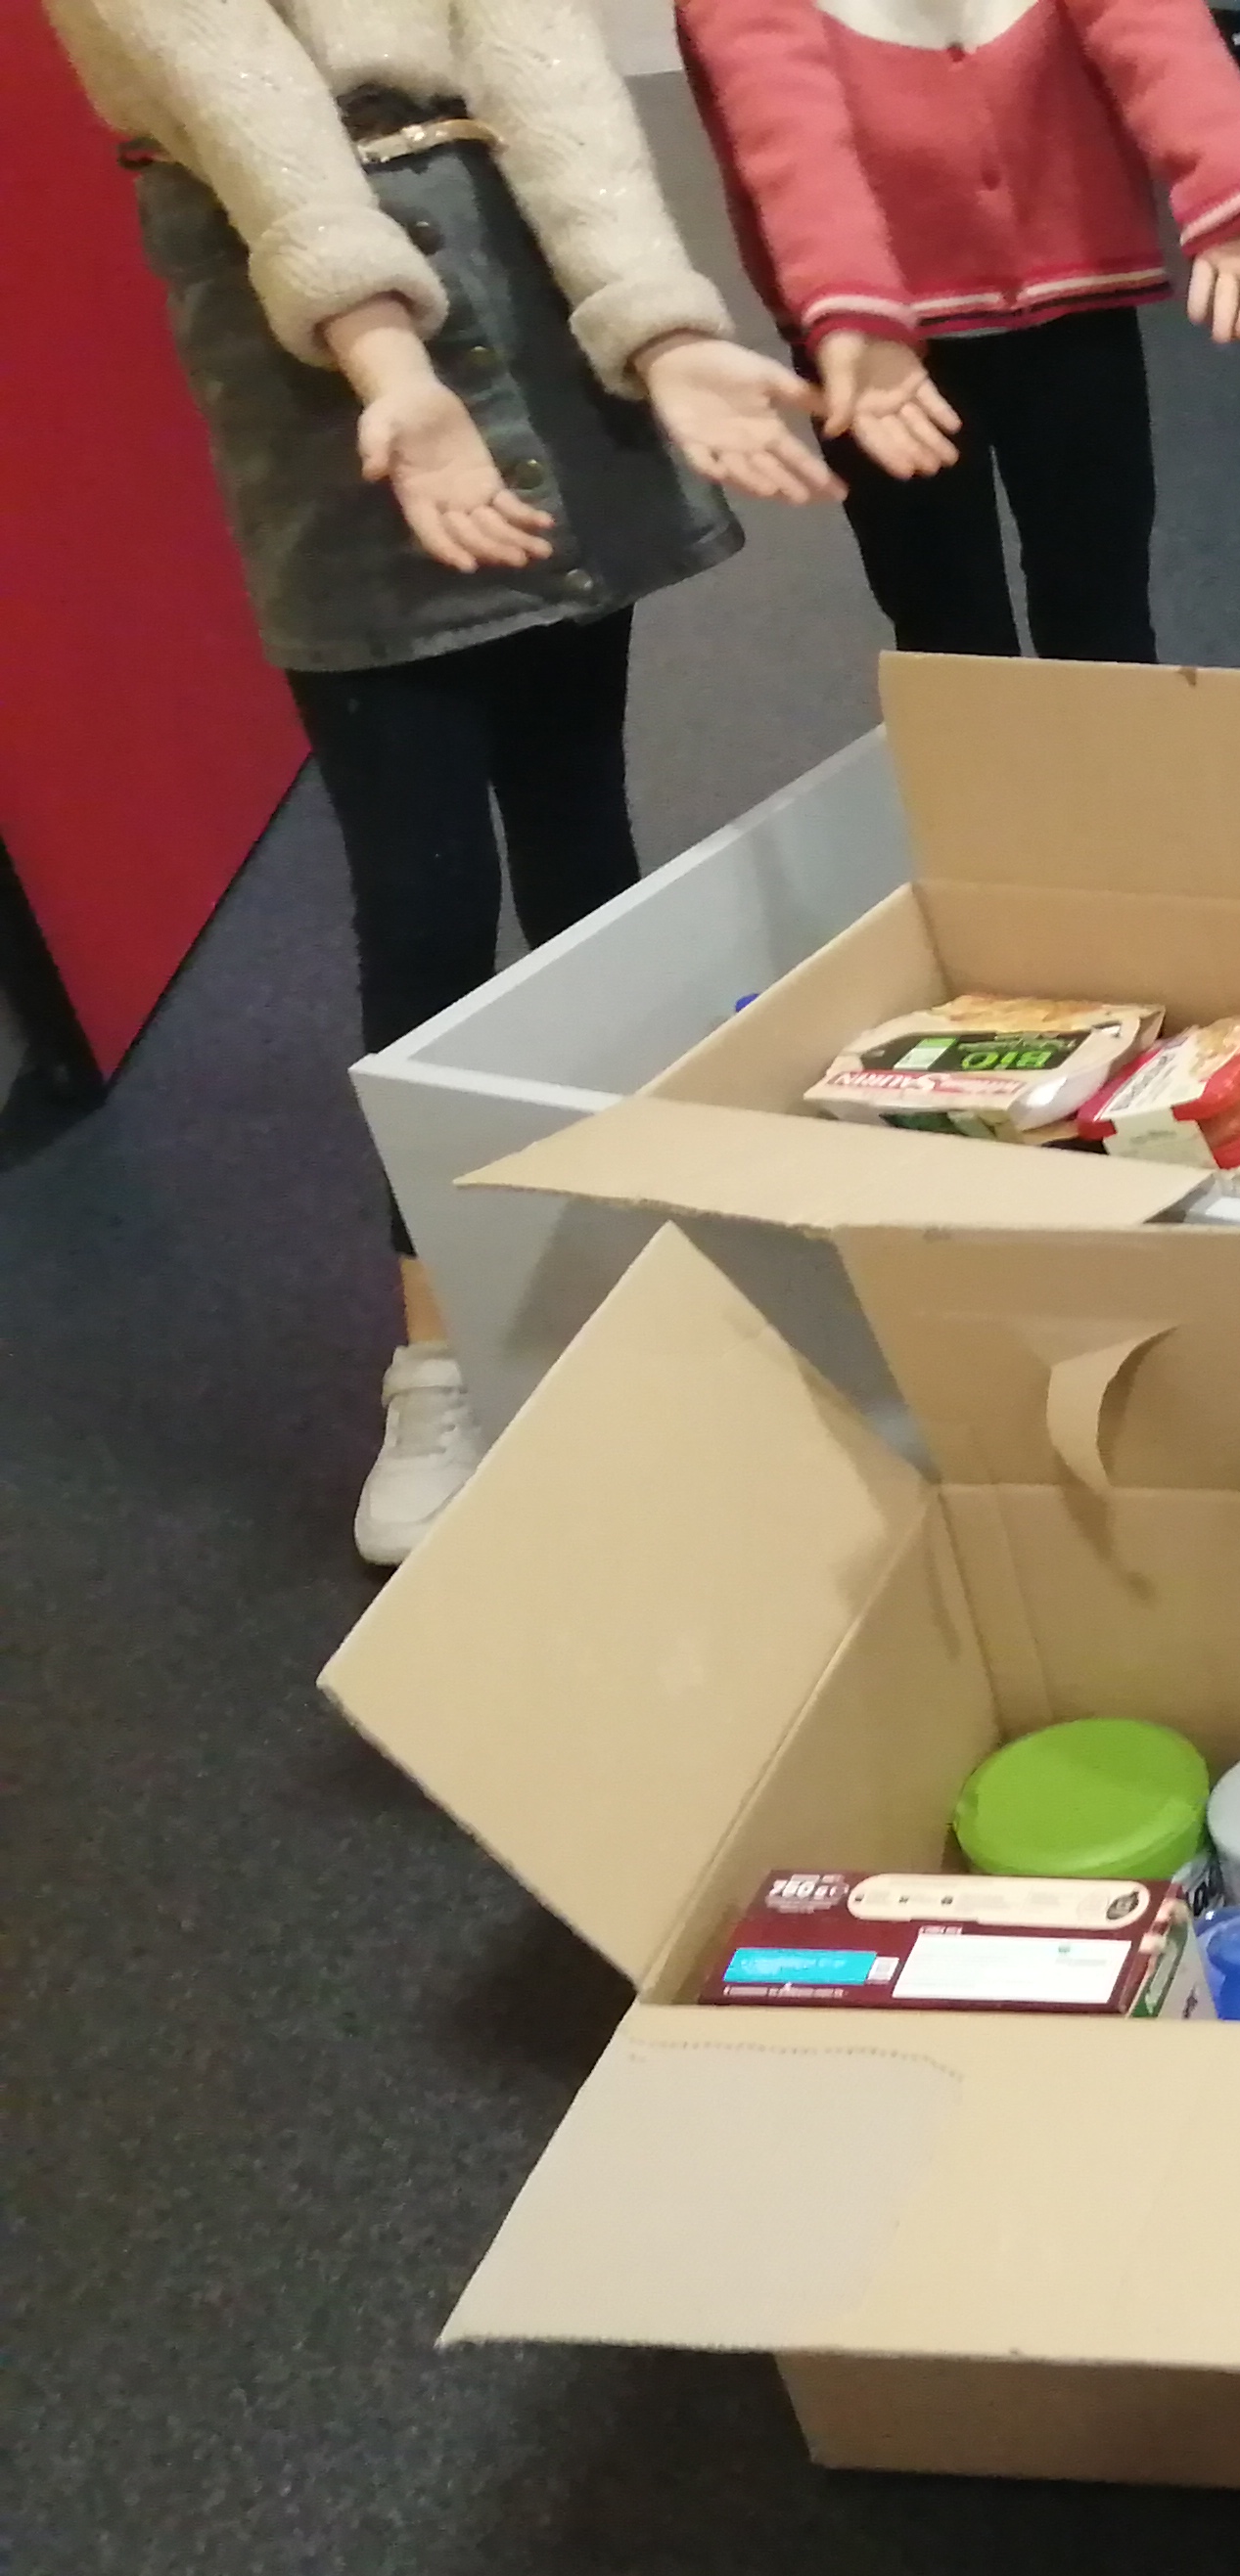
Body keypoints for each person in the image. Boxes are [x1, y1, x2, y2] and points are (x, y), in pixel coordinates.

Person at [47, 0, 839, 1563]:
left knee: (583, 835)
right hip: (307, 331)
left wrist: (654, 320)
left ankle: (643, 1247)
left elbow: (541, 58)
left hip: (515, 265)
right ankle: (445, 1348)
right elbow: (234, 85)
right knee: (423, 896)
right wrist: (386, 358)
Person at [679, 0, 1240, 662]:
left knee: (1103, 602)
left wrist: (1226, 172)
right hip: (871, 344)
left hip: (1070, 286)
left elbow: (1151, 26)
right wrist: (847, 293)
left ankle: (1109, 732)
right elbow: (781, 113)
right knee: (943, 621)